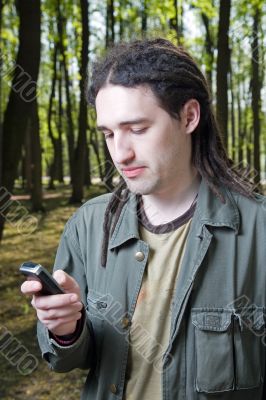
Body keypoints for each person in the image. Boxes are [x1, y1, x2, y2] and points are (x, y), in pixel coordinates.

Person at [21, 38, 266, 400]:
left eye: (136, 129)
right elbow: (70, 358)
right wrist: (66, 330)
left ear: (189, 117)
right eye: (108, 133)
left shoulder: (258, 230)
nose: (120, 152)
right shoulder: (87, 226)